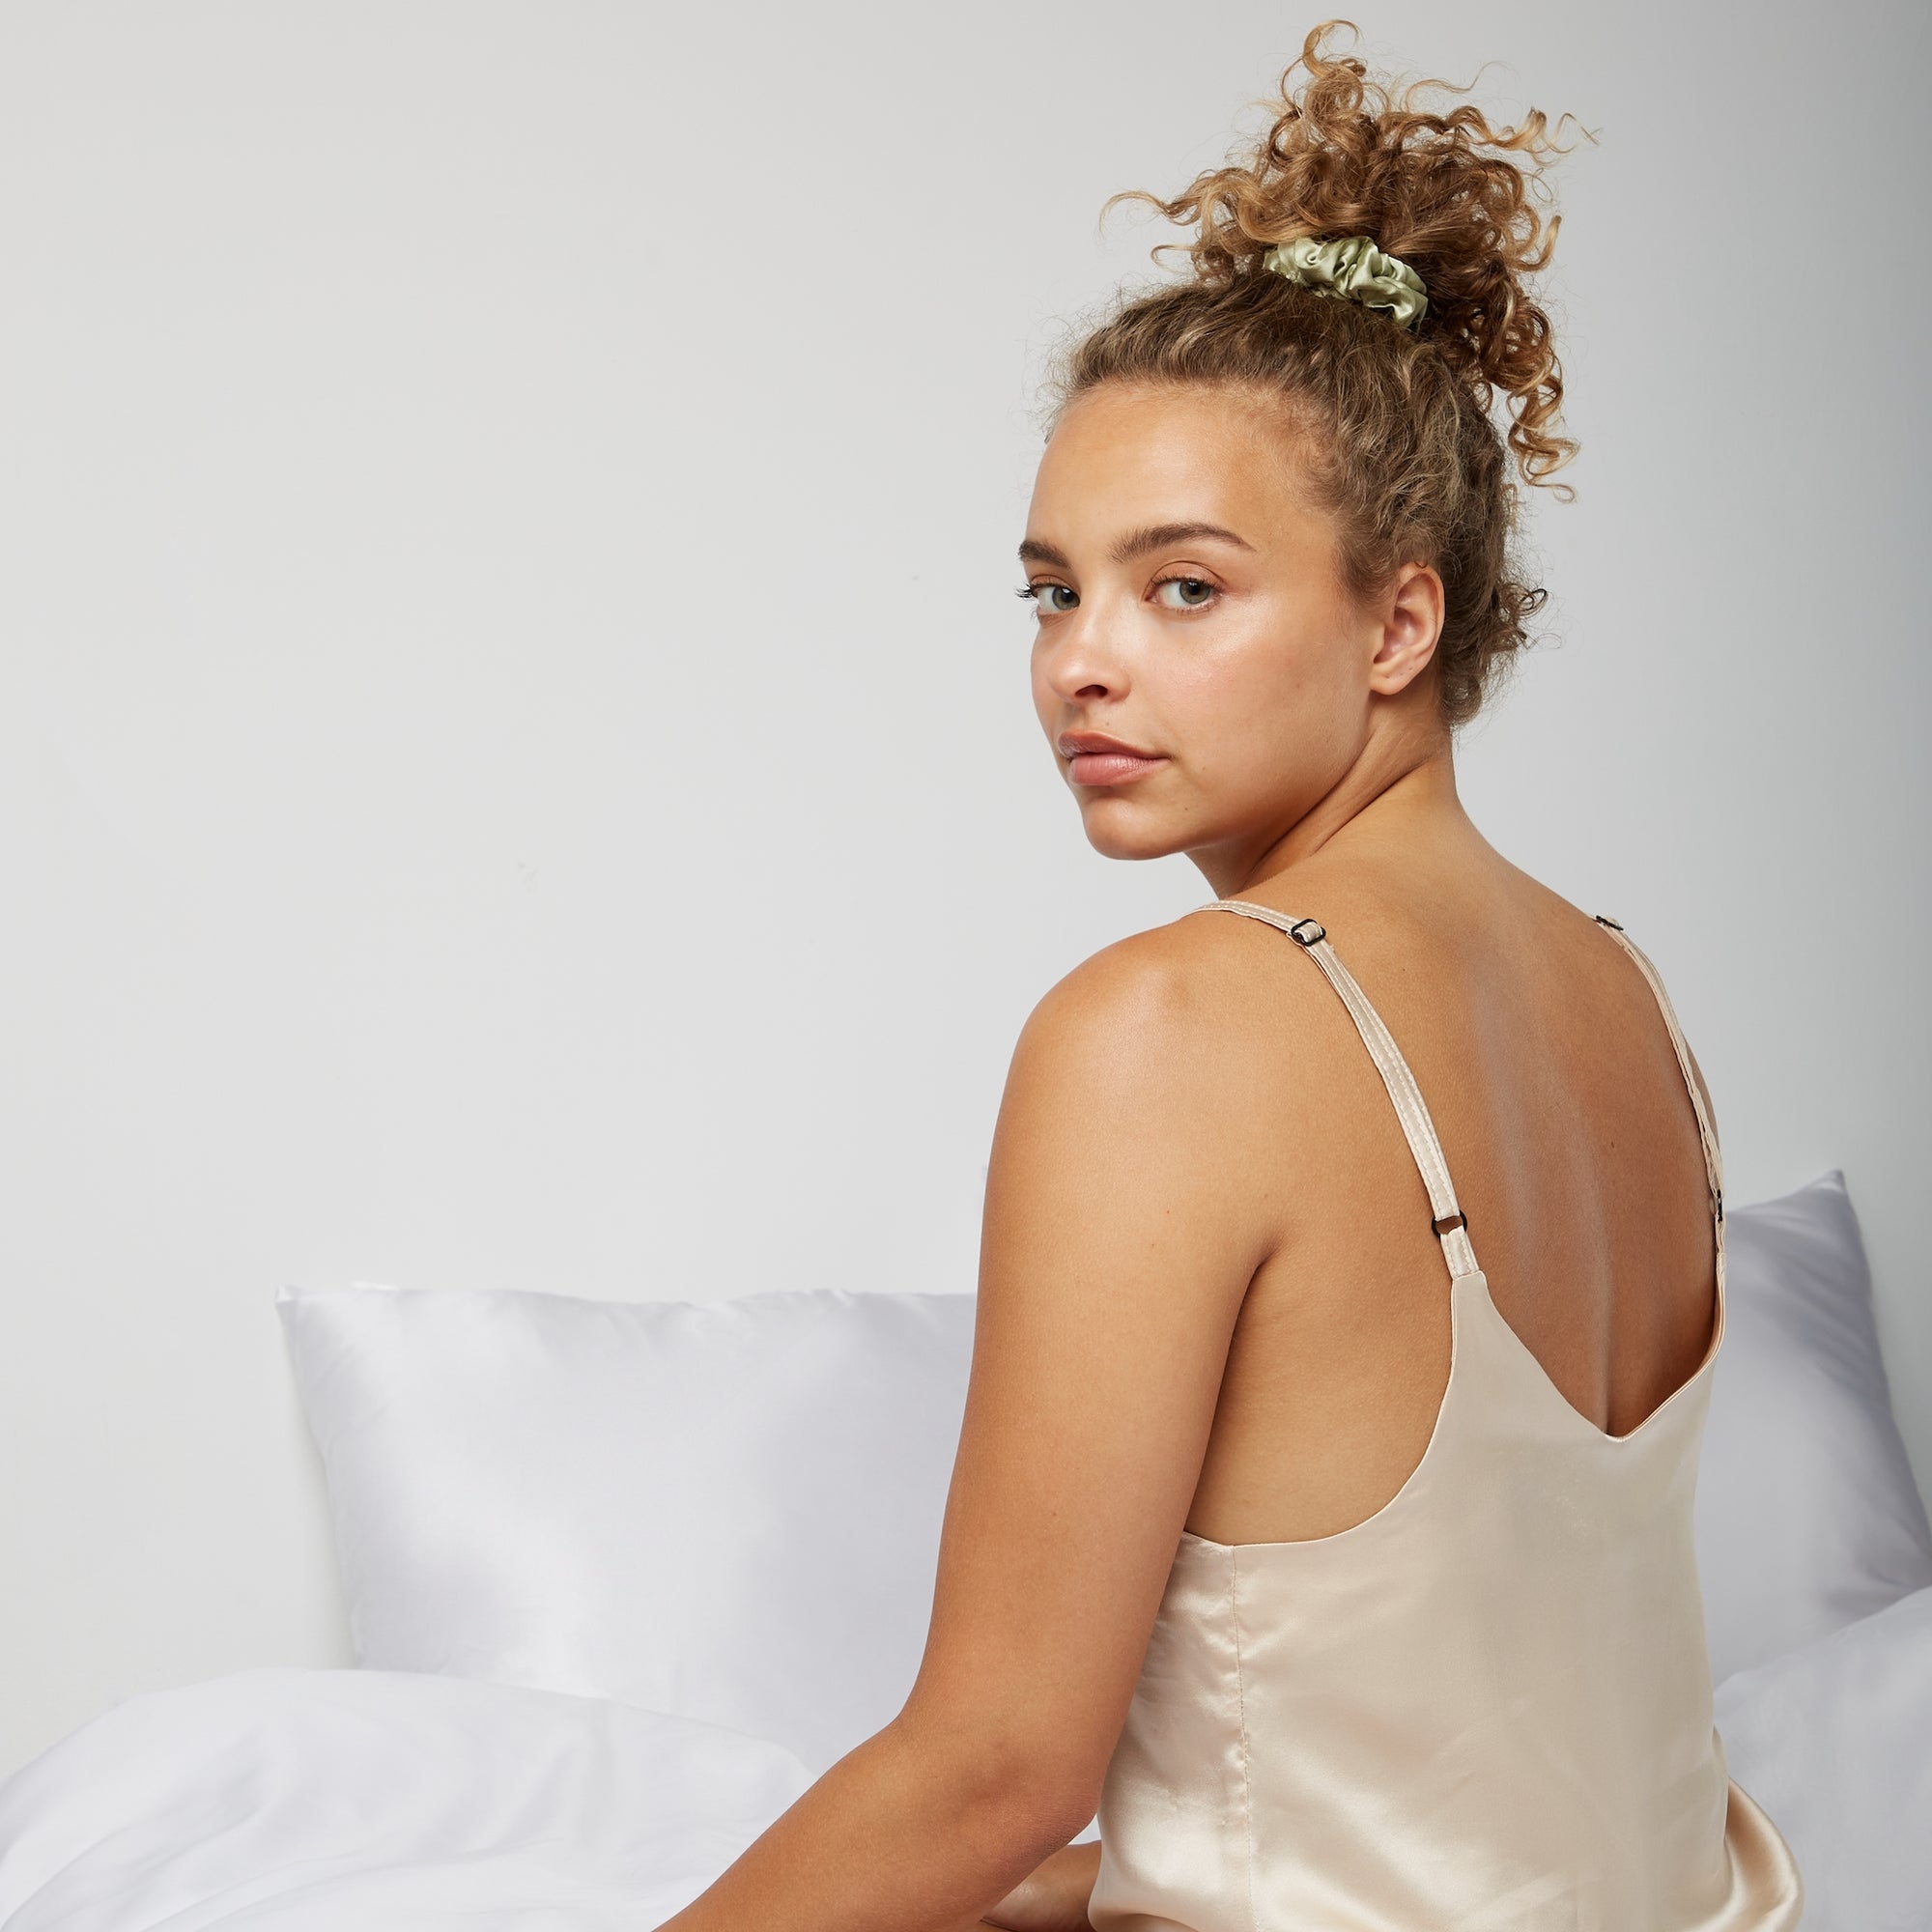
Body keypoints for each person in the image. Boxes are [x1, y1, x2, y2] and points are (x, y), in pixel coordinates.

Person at [655, 20, 1803, 1930]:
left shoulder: (1175, 1026)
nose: (1081, 660)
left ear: (1398, 617)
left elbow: (993, 1763)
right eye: (1055, 587)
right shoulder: (1634, 1004)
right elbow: (1462, 1725)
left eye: (1182, 585)